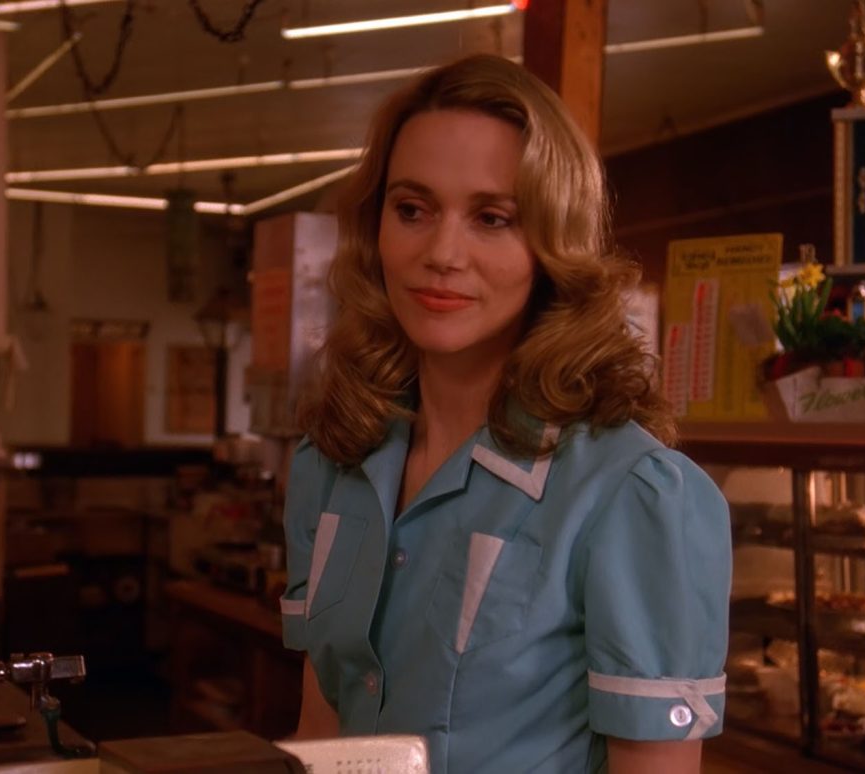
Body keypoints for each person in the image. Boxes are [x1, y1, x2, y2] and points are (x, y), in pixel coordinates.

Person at [279, 53, 731, 774]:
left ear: (555, 247)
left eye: (492, 218)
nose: (441, 253)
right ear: (376, 229)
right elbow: (320, 732)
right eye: (413, 210)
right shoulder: (333, 461)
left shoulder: (631, 495)